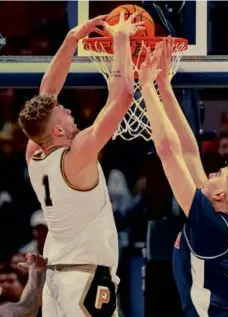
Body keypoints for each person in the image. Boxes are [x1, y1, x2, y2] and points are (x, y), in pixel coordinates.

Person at [18, 12, 145, 317]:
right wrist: (122, 39)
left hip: (56, 282)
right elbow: (122, 97)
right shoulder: (78, 155)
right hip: (86, 280)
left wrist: (72, 39)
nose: (69, 110)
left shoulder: (35, 152)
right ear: (58, 131)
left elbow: (47, 92)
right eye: (63, 112)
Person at [139, 37, 228, 316]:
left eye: (218, 173)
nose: (211, 172)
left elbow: (168, 152)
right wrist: (162, 85)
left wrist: (146, 86)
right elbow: (189, 151)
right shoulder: (218, 221)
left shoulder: (213, 225)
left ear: (220, 194)